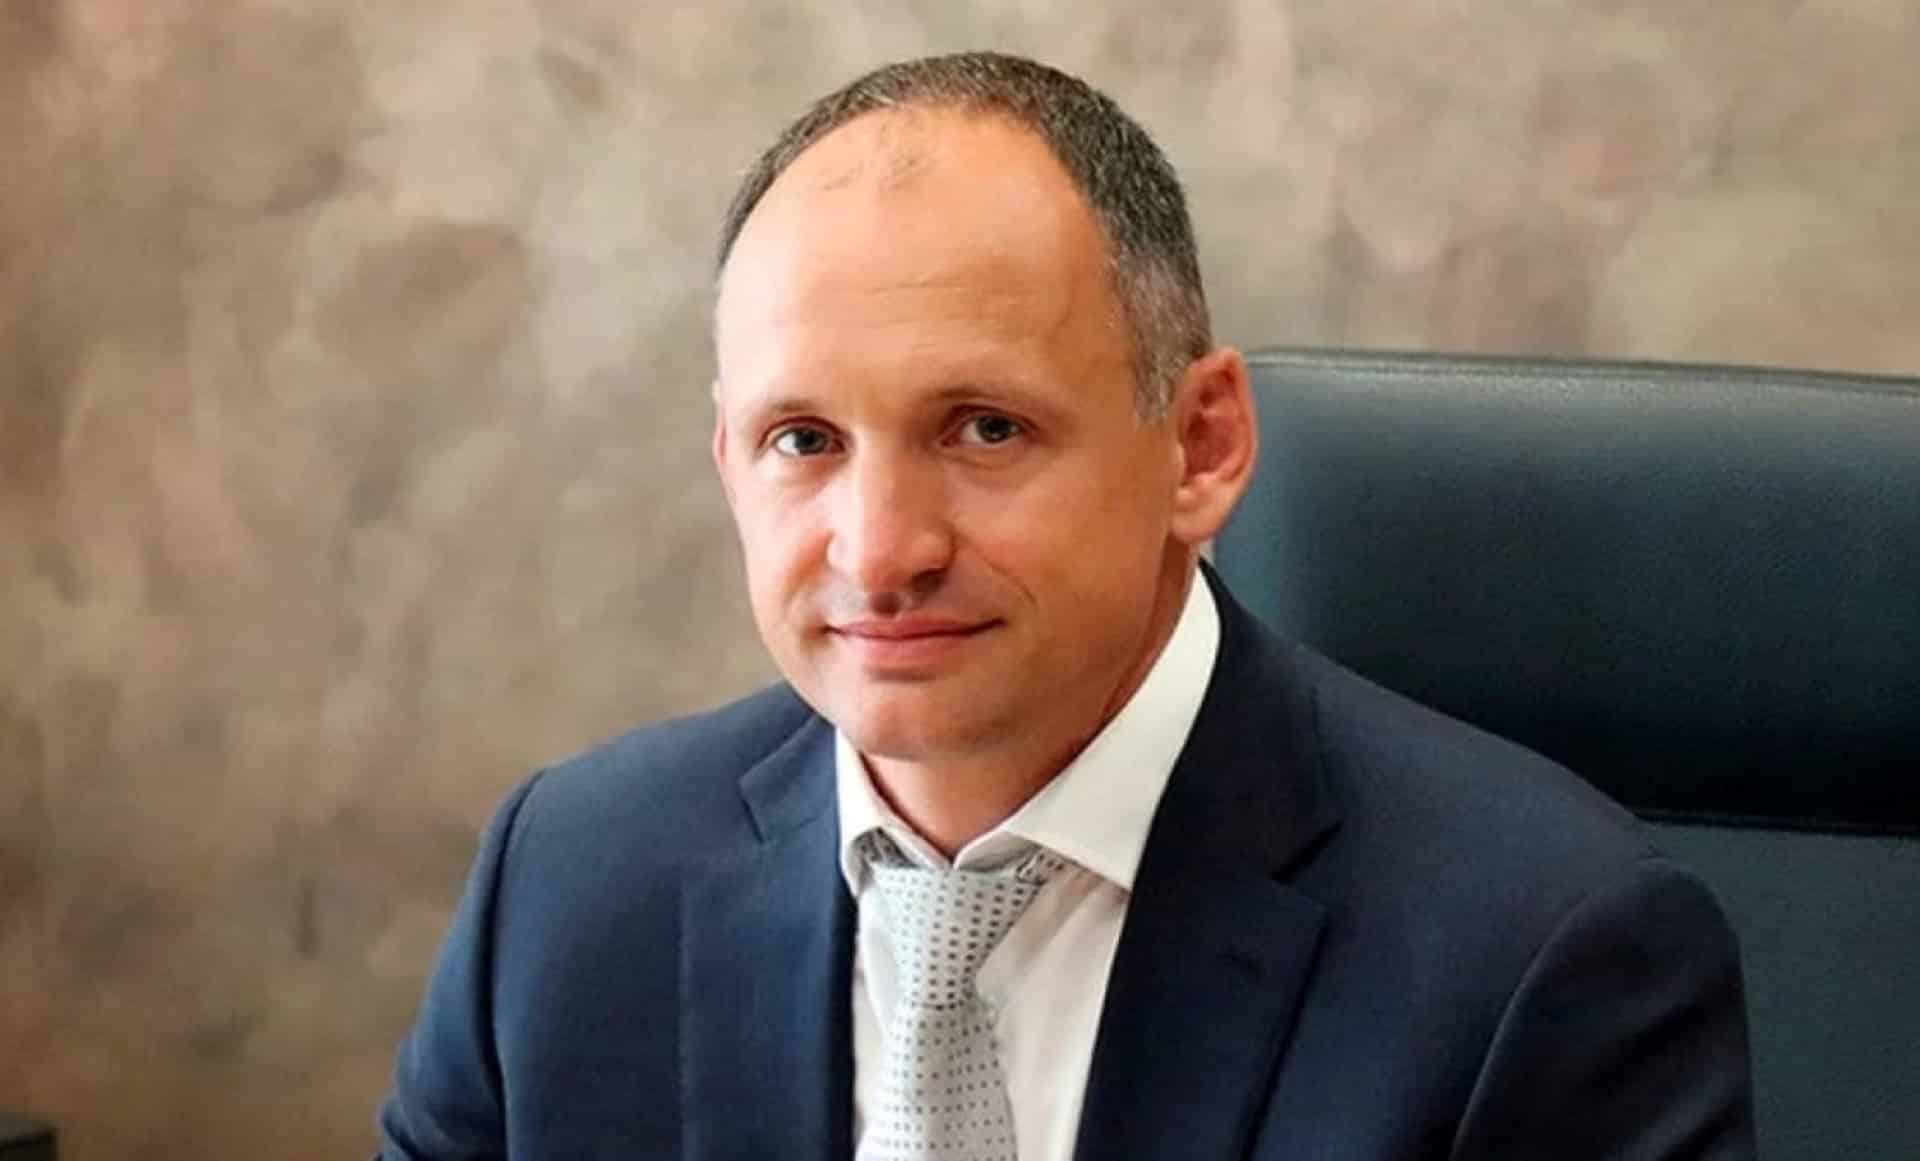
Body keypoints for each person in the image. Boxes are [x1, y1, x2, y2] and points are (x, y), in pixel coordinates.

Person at [377, 52, 1755, 1160]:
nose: (880, 551)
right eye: (804, 439)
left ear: (1201, 445)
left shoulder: (1541, 952)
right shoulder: (568, 882)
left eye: (984, 428)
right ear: (728, 457)